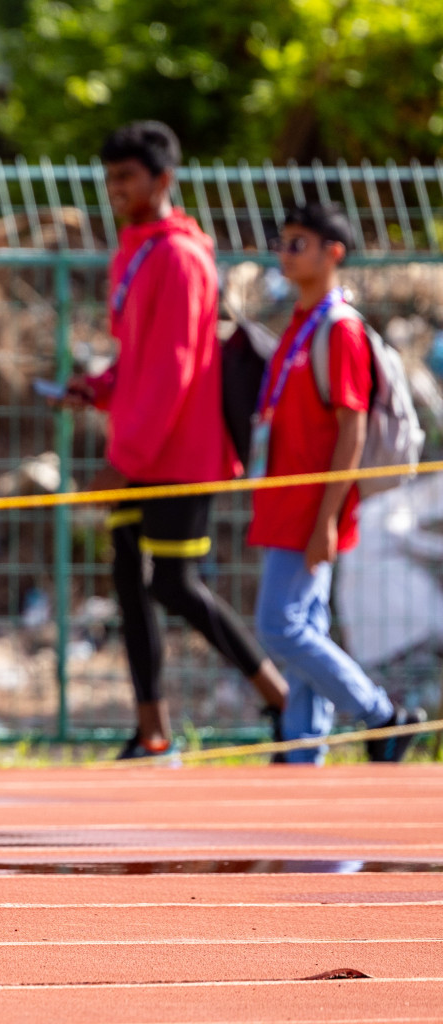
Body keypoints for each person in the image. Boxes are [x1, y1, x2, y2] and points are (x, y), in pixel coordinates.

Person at [63, 121, 289, 759]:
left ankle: (283, 703)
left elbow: (175, 368)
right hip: (140, 444)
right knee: (130, 580)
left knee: (174, 584)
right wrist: (100, 388)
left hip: (179, 452)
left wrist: (123, 462)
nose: (117, 189)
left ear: (162, 179)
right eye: (111, 178)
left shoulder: (182, 255)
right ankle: (152, 729)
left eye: (128, 177)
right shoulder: (137, 247)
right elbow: (141, 358)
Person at [249, 202, 426, 764]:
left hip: (311, 506)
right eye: (283, 241)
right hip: (284, 501)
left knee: (278, 626)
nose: (286, 252)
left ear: (334, 253)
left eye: (299, 243)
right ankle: (304, 748)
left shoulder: (340, 329)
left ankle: (380, 716)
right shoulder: (300, 325)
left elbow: (352, 430)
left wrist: (327, 515)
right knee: (308, 623)